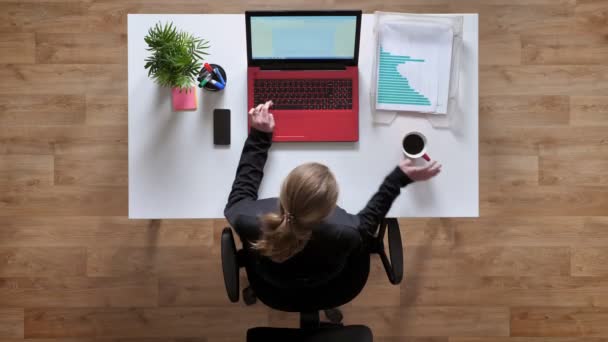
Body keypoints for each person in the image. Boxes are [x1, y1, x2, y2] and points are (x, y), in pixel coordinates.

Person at [224, 101, 441, 288]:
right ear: (329, 209)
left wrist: (260, 136)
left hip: (272, 282)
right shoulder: (347, 231)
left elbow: (241, 192)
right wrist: (398, 178)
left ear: (284, 192)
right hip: (330, 282)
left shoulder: (250, 219)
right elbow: (373, 213)